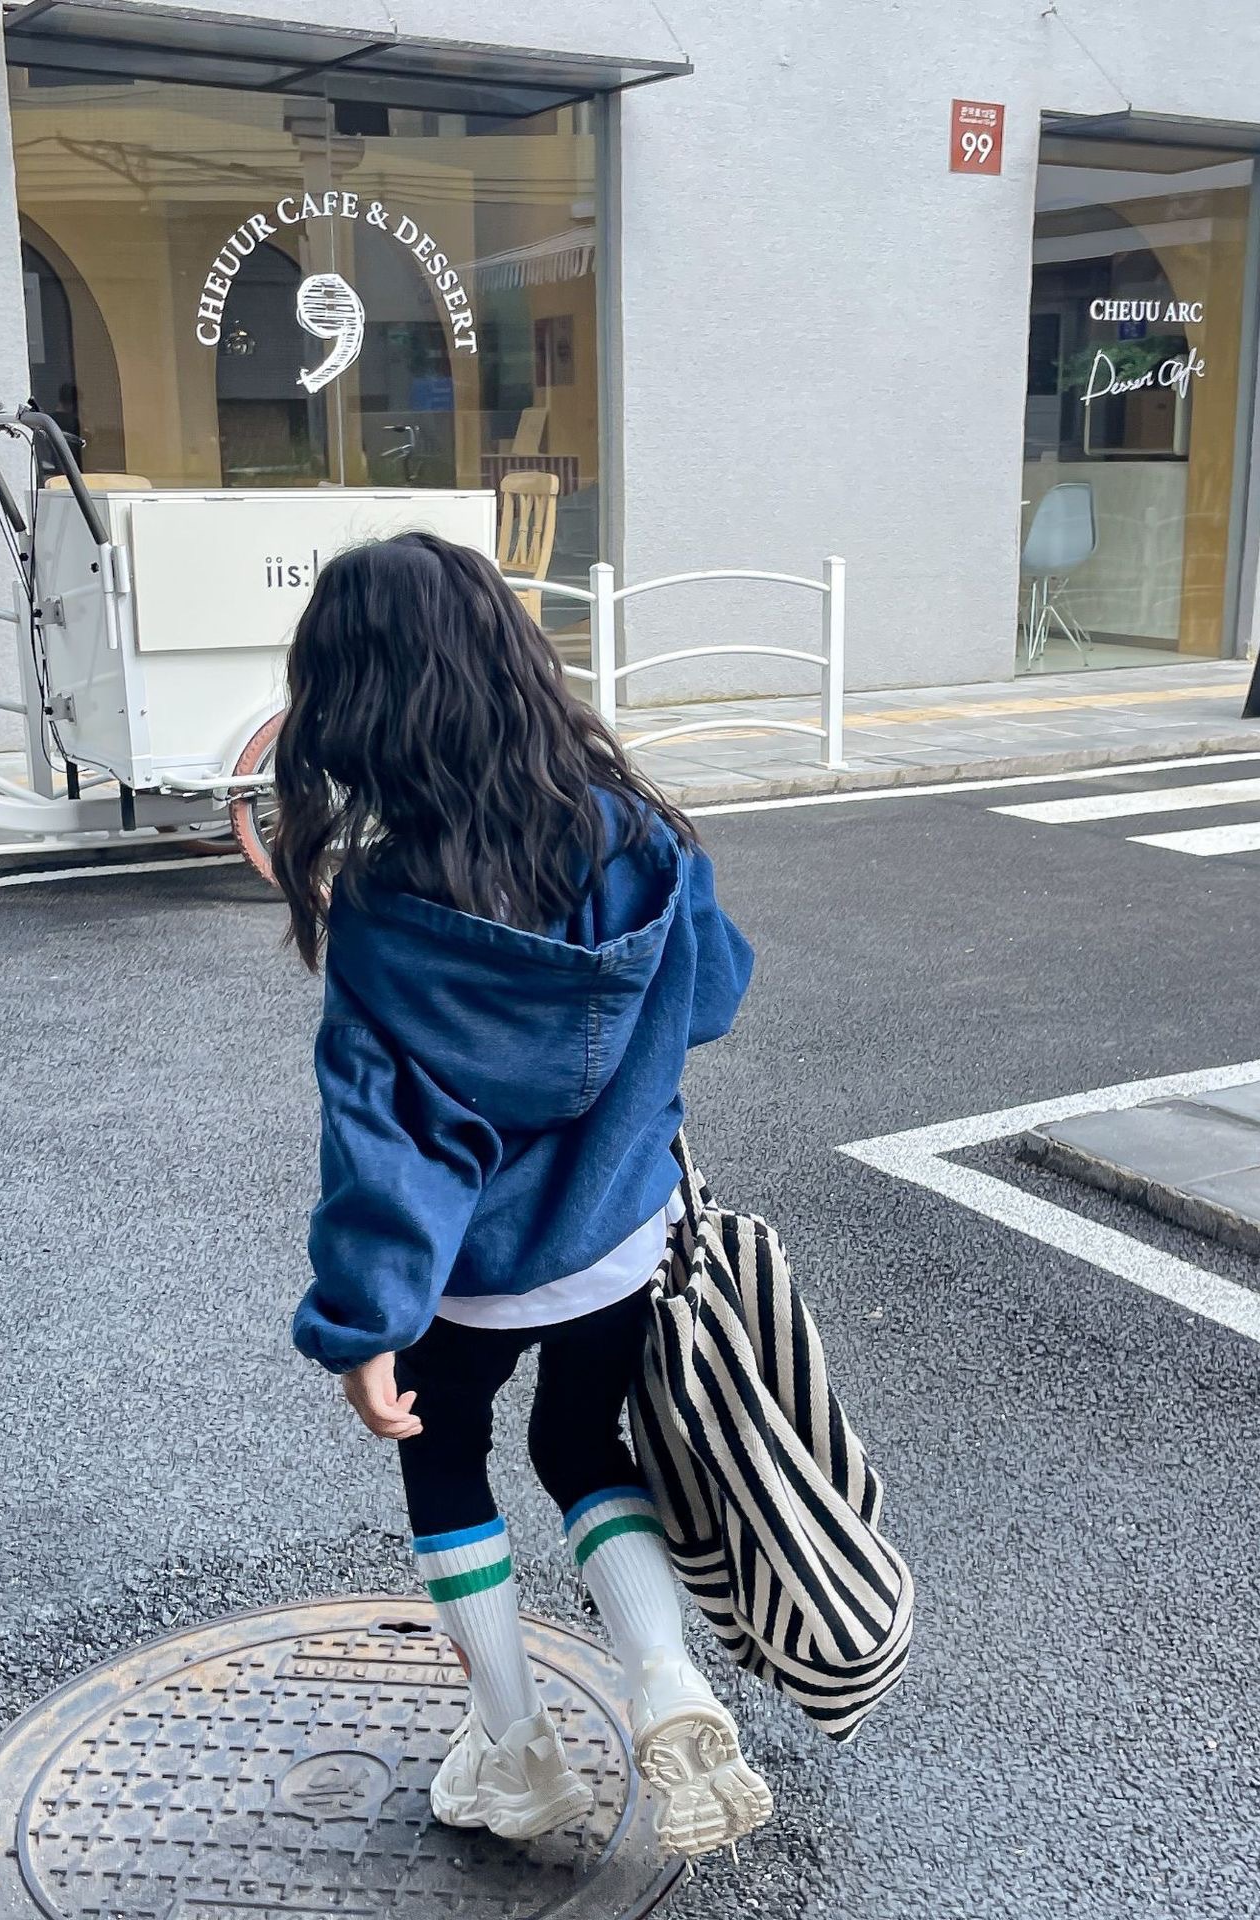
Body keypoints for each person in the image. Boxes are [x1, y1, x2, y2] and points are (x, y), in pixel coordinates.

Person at [271, 532, 773, 1857]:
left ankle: (515, 1746)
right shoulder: (636, 836)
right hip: (618, 1237)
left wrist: (366, 1324)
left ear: (353, 702)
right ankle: (664, 1678)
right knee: (583, 1449)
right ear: (511, 661)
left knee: (447, 1459)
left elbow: (383, 1138)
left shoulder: (383, 905)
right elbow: (713, 995)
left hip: (472, 1274)